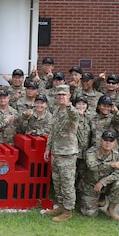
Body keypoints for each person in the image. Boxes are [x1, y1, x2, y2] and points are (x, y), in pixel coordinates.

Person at [45, 84, 81, 222]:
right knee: (58, 182)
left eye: (64, 94)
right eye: (59, 94)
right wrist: (48, 149)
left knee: (67, 183)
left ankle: (68, 210)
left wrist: (68, 106)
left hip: (67, 154)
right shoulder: (56, 111)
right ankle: (61, 206)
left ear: (69, 96)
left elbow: (74, 115)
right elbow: (52, 132)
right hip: (56, 152)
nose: (61, 97)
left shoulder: (72, 111)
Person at [78, 130, 119, 221]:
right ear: (101, 140)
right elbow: (92, 166)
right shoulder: (91, 152)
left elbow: (118, 174)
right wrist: (111, 165)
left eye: (111, 141)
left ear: (114, 143)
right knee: (90, 213)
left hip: (106, 186)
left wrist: (102, 182)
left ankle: (110, 210)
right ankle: (92, 199)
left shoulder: (117, 156)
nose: (108, 143)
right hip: (91, 186)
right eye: (106, 140)